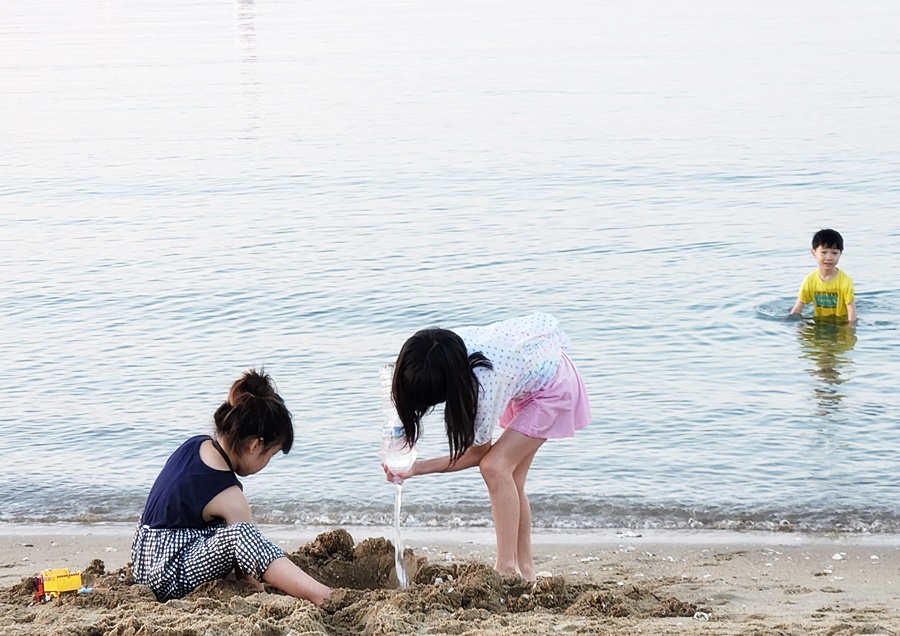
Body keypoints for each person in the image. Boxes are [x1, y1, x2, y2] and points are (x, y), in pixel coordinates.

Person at [383, 313, 591, 581]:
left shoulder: (483, 383)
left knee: (495, 467)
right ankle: (526, 571)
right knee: (511, 478)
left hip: (552, 388)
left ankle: (505, 567)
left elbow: (477, 454)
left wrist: (418, 468)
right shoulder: (441, 352)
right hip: (532, 372)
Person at [131, 370, 331, 605]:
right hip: (167, 576)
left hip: (143, 559)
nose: (267, 463)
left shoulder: (195, 445)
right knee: (240, 534)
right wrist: (257, 590)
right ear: (256, 445)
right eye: (271, 454)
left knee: (217, 527)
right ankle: (320, 594)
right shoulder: (230, 496)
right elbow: (246, 567)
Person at [789, 228, 857, 322]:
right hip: (819, 322)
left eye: (834, 253)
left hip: (840, 323)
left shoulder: (845, 281)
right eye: (824, 252)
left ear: (840, 254)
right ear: (814, 253)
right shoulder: (810, 280)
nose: (829, 258)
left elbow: (852, 315)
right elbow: (797, 309)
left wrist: (849, 329)